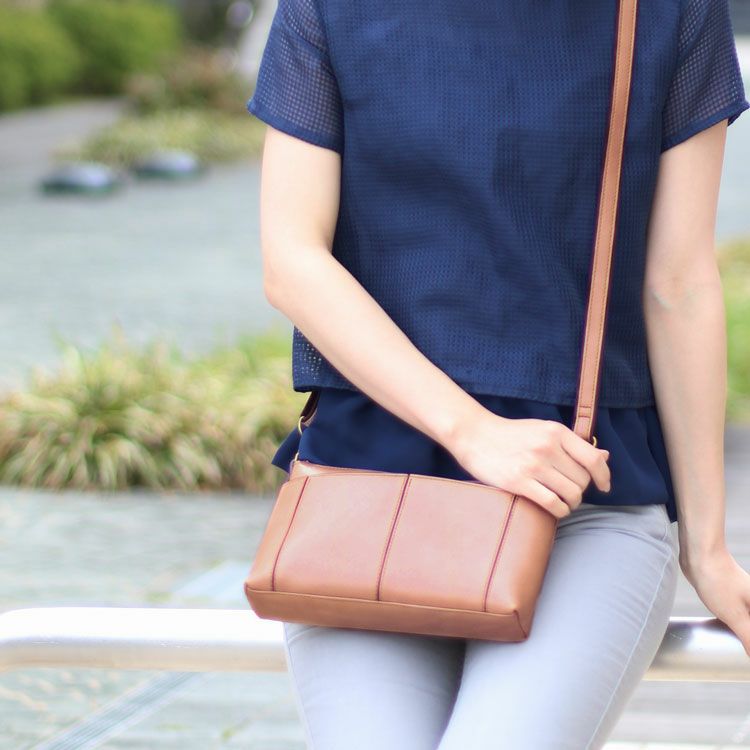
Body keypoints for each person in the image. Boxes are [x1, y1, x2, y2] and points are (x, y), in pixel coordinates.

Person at [246, 0, 750, 747]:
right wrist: (474, 432)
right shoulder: (328, 8)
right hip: (365, 494)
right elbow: (292, 260)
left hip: (585, 500)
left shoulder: (668, 12)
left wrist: (706, 548)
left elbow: (677, 284)